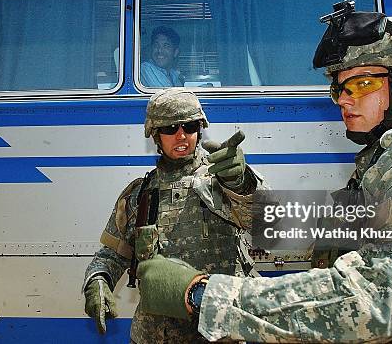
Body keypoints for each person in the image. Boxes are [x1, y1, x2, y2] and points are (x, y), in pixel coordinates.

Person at [136, 3, 392, 343]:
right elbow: (289, 226)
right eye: (339, 88)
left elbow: (371, 304)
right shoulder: (384, 169)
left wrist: (200, 294)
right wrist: (240, 185)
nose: (344, 99)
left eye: (362, 84)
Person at [82, 88, 268, 343]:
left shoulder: (225, 177)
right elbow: (112, 254)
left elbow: (269, 218)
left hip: (224, 329)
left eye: (189, 126)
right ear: (156, 135)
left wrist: (240, 182)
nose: (181, 135)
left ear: (199, 129)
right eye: (170, 129)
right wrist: (99, 279)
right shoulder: (141, 194)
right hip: (157, 334)